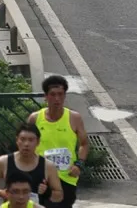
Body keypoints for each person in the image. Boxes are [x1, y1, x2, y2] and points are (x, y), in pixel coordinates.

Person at [26, 75, 88, 208]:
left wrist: (79, 164)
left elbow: (84, 144)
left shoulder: (74, 118)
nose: (57, 99)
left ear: (65, 95)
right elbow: (24, 144)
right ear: (46, 96)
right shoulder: (35, 119)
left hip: (65, 177)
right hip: (40, 177)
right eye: (52, 94)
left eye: (60, 94)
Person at [0, 124, 63, 205]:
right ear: (17, 140)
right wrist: (0, 192)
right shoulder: (4, 161)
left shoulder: (48, 166)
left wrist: (47, 192)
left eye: (31, 140)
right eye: (22, 139)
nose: (26, 144)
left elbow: (59, 195)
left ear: (38, 142)